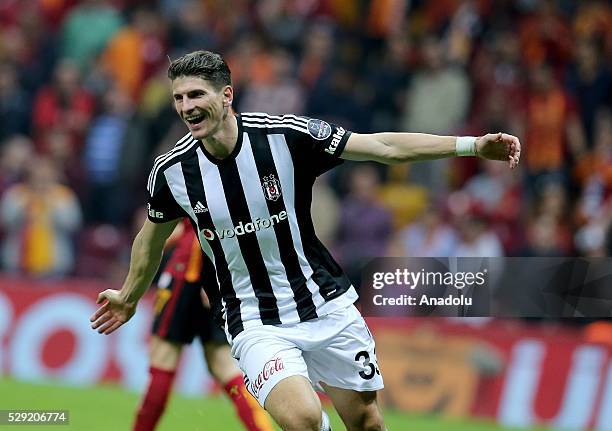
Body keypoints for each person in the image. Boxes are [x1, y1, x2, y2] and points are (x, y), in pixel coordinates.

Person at [90, 50, 520, 431]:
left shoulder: (286, 136)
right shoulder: (172, 172)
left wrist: (472, 146)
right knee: (302, 418)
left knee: (368, 422)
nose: (186, 107)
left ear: (226, 96)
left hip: (324, 304)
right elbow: (150, 240)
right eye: (179, 98)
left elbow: (385, 147)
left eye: (196, 95)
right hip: (253, 318)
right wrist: (129, 295)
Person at [133, 219, 273, 431]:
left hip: (189, 268)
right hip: (224, 269)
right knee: (223, 364)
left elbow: (179, 218)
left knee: (163, 357)